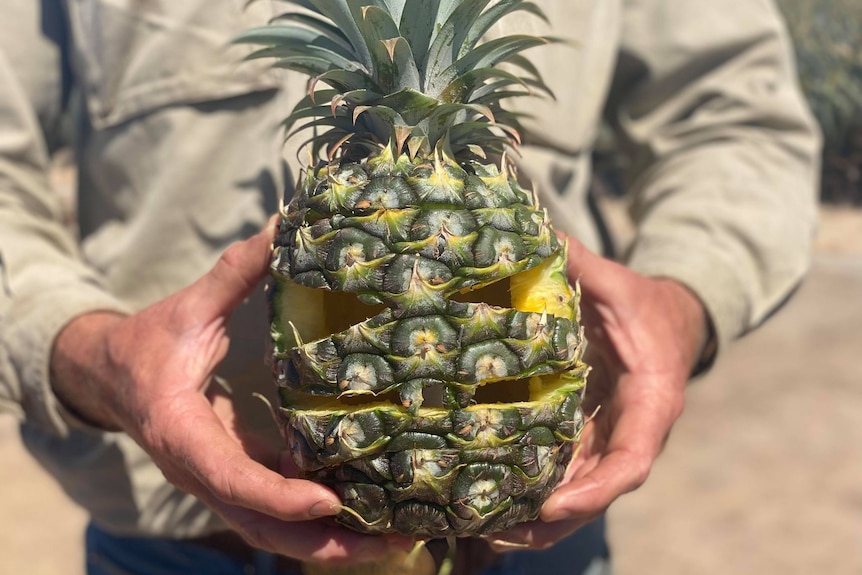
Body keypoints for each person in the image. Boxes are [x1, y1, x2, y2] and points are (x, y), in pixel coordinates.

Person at [0, 1, 819, 574]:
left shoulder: (488, 202)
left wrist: (685, 298)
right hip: (172, 552)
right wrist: (83, 348)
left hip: (534, 542)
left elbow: (734, 113)